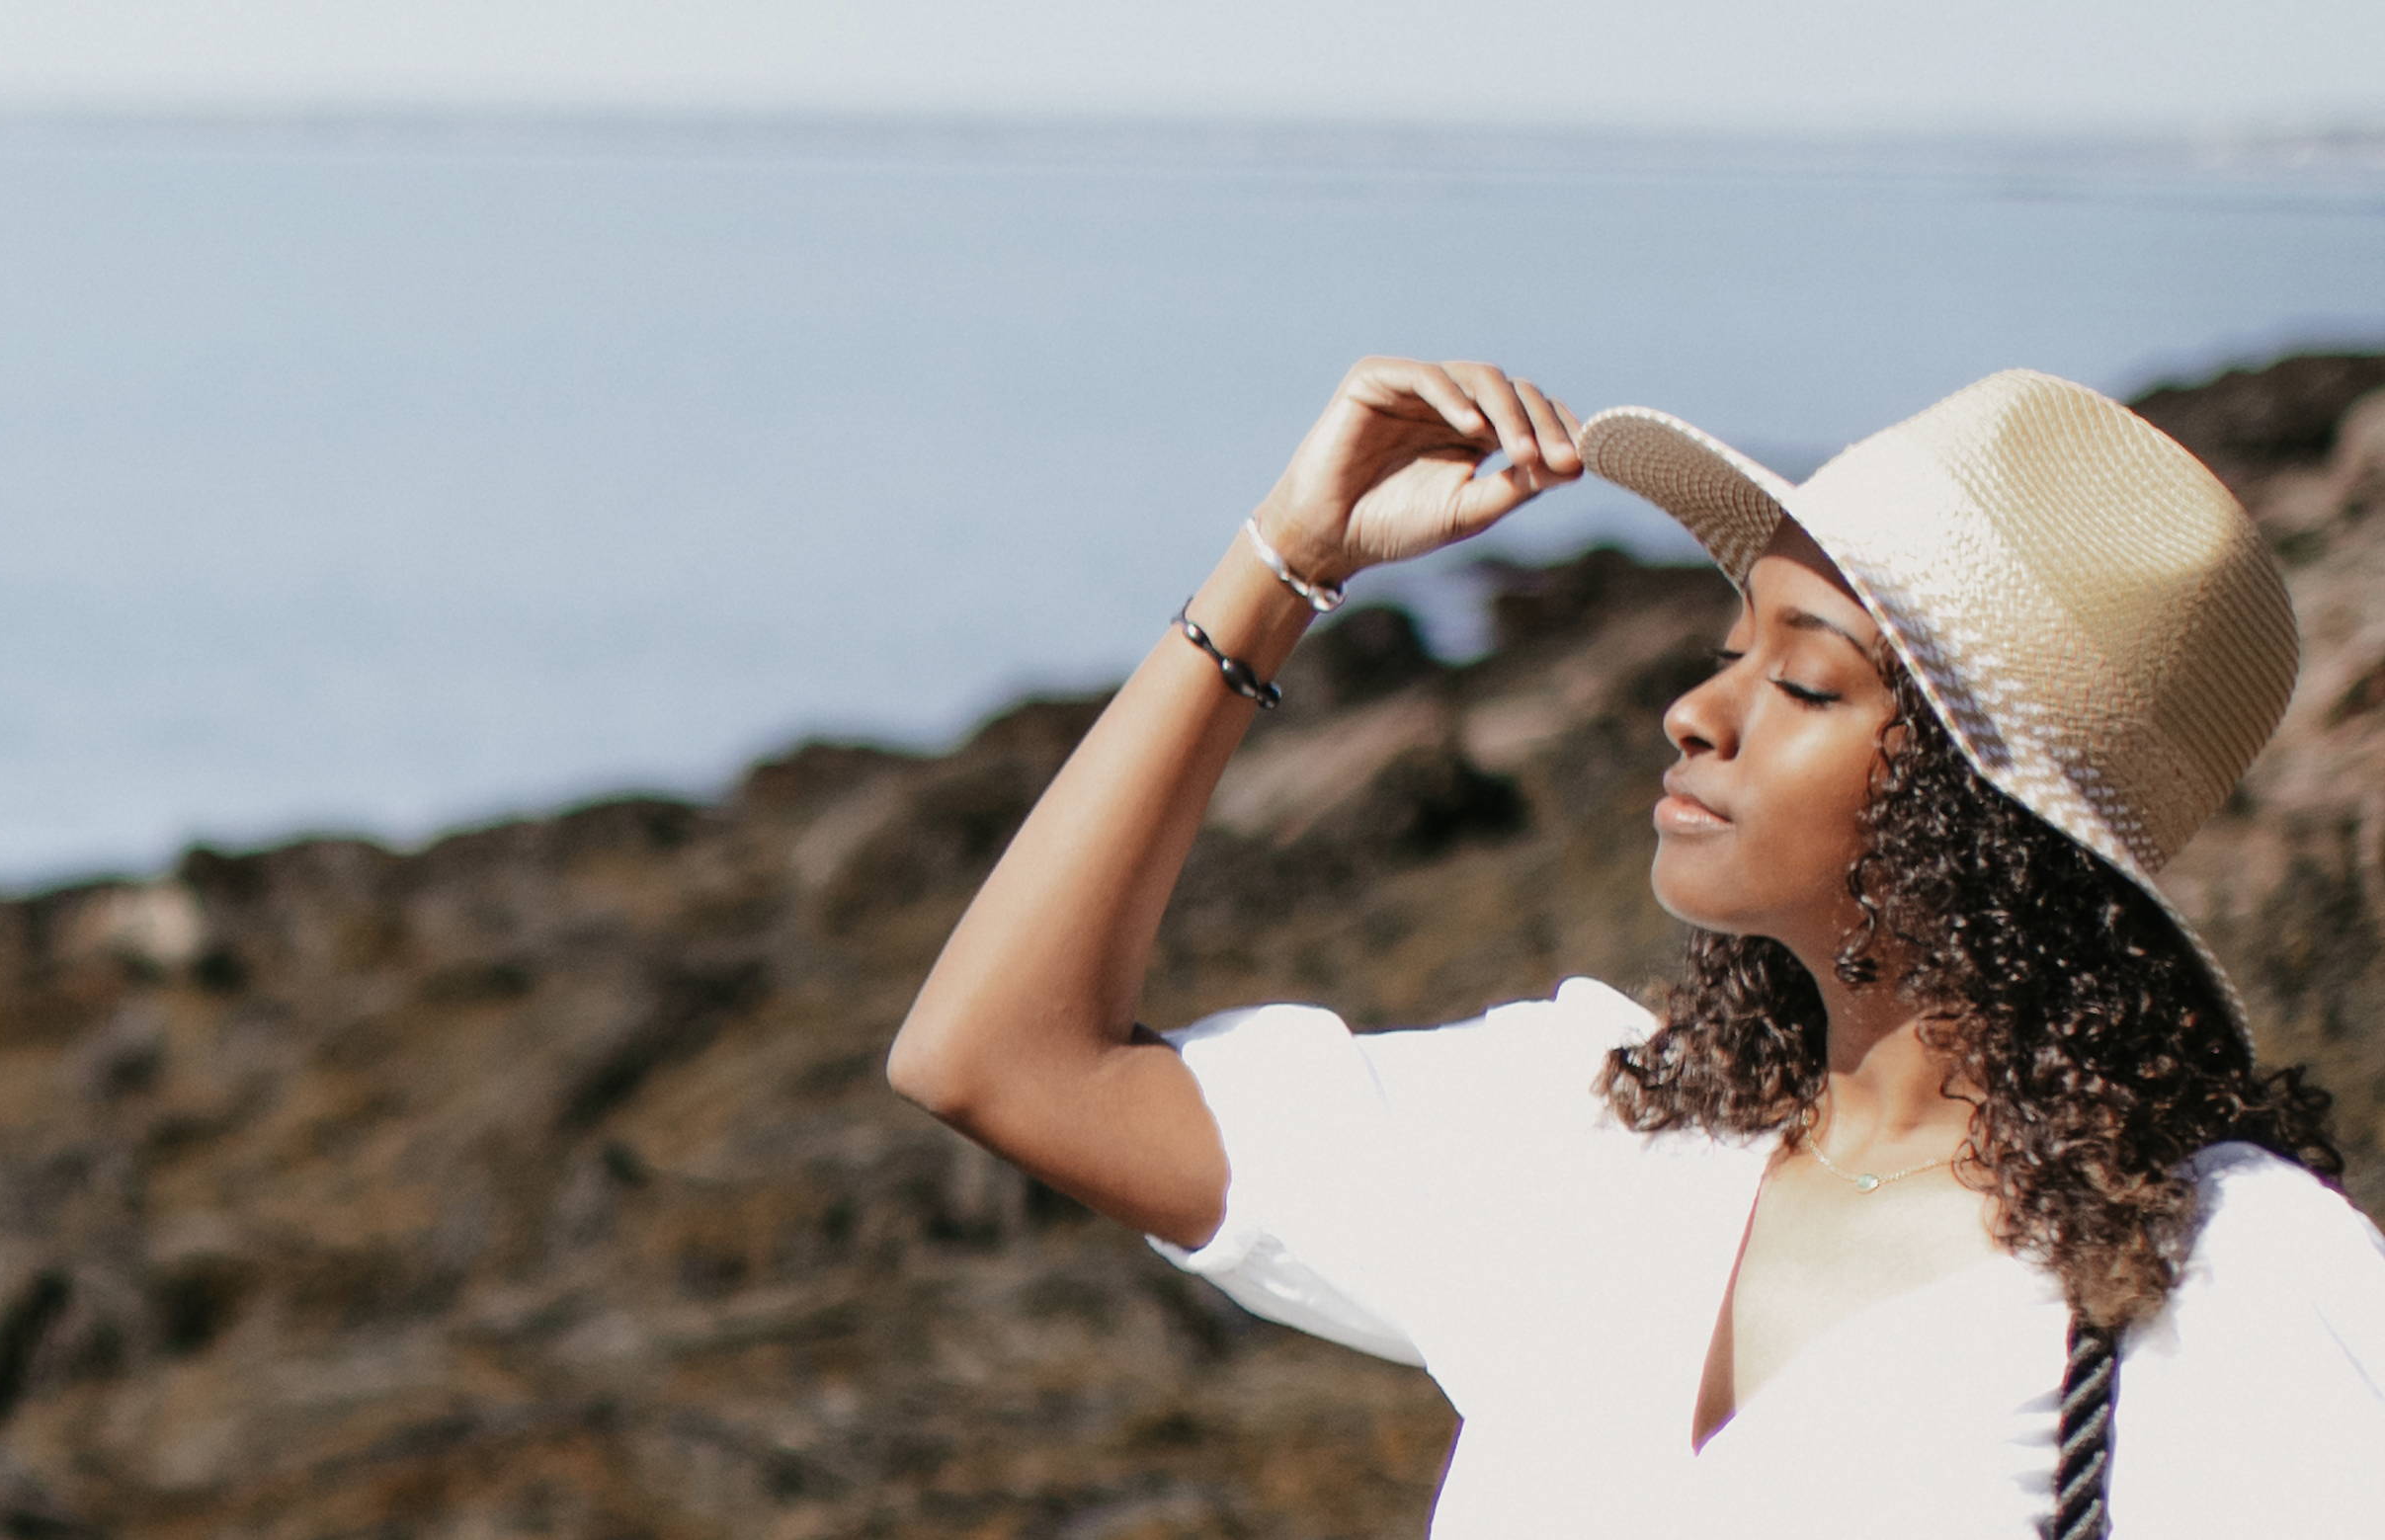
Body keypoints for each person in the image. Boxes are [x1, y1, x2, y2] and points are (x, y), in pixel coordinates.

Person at [883, 358, 2385, 1539]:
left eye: (1805, 684)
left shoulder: (2234, 1278)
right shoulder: (1592, 1138)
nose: (1697, 711)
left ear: (1990, 815)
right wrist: (1283, 562)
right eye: (1732, 646)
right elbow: (1000, 1058)